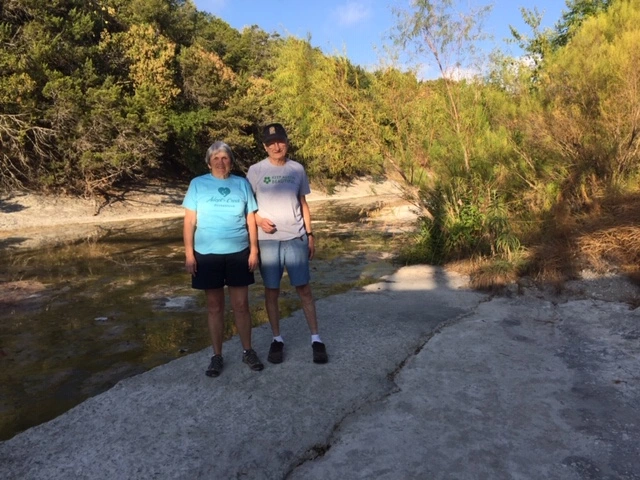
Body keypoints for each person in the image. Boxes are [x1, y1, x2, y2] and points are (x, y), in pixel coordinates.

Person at [247, 123, 329, 364]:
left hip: (296, 238)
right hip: (268, 242)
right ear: (264, 146)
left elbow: (303, 203)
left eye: (280, 141)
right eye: (271, 143)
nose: (276, 146)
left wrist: (310, 234)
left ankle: (316, 338)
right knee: (271, 291)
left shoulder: (297, 169)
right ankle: (277, 339)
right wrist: (259, 220)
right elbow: (247, 206)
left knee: (304, 289)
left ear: (286, 142)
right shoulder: (255, 170)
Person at [183, 141, 264, 377]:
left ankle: (248, 350)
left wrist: (254, 250)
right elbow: (189, 222)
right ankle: (216, 356)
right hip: (207, 255)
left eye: (225, 158)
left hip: (239, 252)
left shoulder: (241, 184)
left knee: (241, 305)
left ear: (231, 161)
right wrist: (189, 254)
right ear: (209, 162)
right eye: (216, 158)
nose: (221, 162)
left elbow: (251, 219)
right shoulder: (197, 184)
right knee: (215, 306)